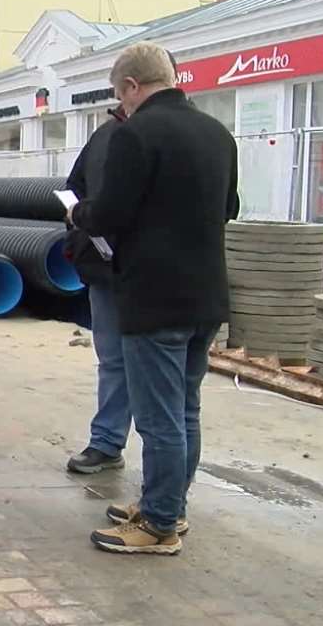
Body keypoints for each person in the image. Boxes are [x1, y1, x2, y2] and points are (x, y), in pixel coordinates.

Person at [70, 42, 238, 556]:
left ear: (129, 88)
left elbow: (110, 216)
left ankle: (159, 525)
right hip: (205, 296)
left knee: (159, 418)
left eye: (120, 95)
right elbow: (230, 206)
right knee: (184, 410)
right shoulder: (218, 133)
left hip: (153, 297)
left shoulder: (135, 134)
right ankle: (170, 506)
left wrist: (79, 215)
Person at [63, 105, 131, 475]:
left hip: (154, 273)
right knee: (113, 359)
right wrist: (78, 225)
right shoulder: (105, 135)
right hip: (104, 266)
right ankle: (107, 442)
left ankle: (164, 487)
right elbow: (76, 189)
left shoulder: (177, 134)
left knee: (157, 368)